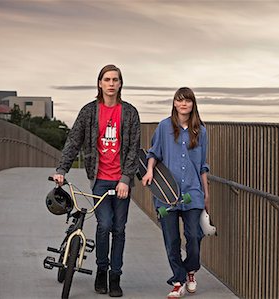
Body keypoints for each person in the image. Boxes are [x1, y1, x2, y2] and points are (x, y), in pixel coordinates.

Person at [53, 64, 141, 297]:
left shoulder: (130, 113)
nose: (111, 84)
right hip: (100, 179)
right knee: (104, 225)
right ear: (100, 83)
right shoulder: (89, 112)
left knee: (119, 229)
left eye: (115, 80)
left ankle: (116, 276)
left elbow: (134, 148)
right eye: (107, 79)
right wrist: (62, 169)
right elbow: (73, 141)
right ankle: (102, 271)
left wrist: (125, 178)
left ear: (120, 84)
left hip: (122, 181)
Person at [141, 87, 209, 298]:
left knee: (194, 237)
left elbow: (202, 166)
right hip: (166, 193)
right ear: (174, 103)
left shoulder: (201, 131)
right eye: (179, 100)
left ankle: (190, 270)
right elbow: (153, 153)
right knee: (171, 239)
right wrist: (150, 170)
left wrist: (206, 194)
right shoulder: (163, 127)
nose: (183, 104)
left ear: (192, 104)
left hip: (193, 192)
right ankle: (178, 281)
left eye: (187, 101)